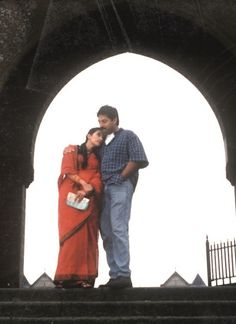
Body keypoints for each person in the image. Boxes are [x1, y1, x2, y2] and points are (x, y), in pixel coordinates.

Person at [97, 105, 149, 288]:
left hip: (120, 186)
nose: (101, 125)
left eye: (104, 121)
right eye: (99, 121)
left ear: (115, 120)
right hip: (104, 190)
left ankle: (123, 274)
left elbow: (138, 159)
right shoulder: (102, 143)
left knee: (118, 228)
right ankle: (115, 274)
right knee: (106, 232)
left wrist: (120, 178)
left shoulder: (128, 136)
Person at [54, 127, 104, 288]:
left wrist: (89, 189)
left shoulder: (99, 157)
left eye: (103, 137)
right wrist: (83, 184)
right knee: (71, 237)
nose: (100, 139)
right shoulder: (73, 150)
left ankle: (83, 277)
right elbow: (67, 170)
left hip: (88, 199)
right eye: (98, 135)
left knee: (87, 237)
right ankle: (65, 275)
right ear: (88, 135)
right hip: (71, 197)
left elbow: (98, 176)